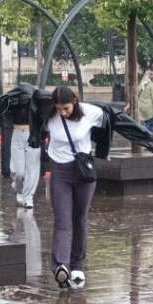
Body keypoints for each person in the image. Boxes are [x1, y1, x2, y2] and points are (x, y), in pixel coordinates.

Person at [45, 86, 105, 290]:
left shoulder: (90, 112)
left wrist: (103, 152)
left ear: (75, 101)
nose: (63, 112)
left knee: (79, 218)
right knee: (62, 219)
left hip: (83, 171)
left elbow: (109, 123)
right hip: (59, 172)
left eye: (66, 108)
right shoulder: (49, 113)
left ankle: (77, 264)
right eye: (59, 108)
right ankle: (61, 266)